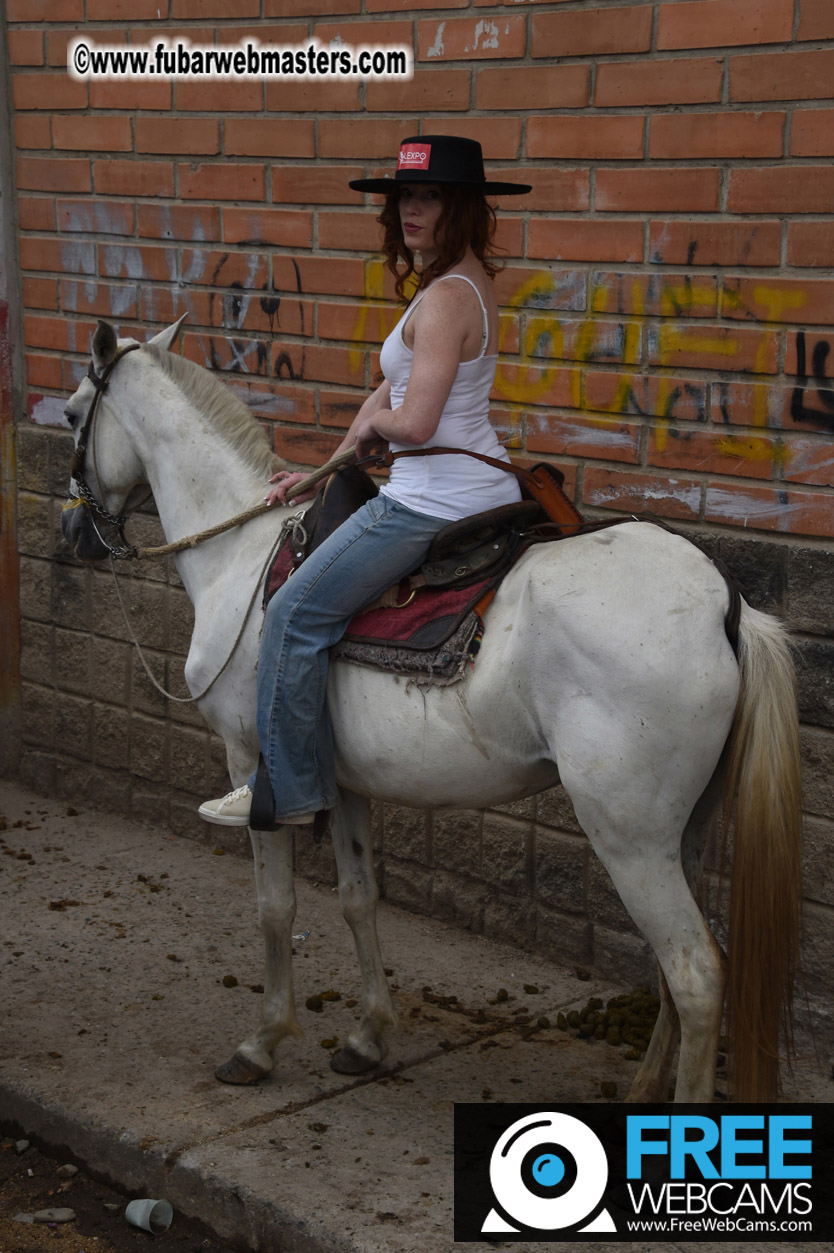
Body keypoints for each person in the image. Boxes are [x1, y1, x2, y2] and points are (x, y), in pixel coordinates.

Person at [199, 134, 531, 828]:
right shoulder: (460, 284)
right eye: (404, 195)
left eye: (429, 195)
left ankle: (288, 792)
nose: (411, 210)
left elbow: (416, 419)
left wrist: (379, 431)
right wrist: (331, 462)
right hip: (459, 483)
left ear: (462, 206)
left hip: (433, 499)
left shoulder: (445, 299)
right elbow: (389, 388)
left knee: (292, 615)